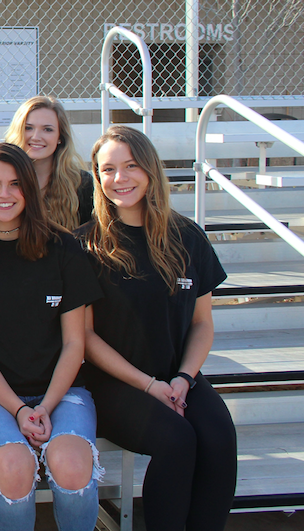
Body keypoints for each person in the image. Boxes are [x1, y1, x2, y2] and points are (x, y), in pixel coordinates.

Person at [79, 125, 237, 531]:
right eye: (109, 169)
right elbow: (86, 338)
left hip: (178, 376)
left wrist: (184, 378)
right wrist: (150, 386)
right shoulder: (86, 245)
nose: (120, 178)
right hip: (113, 384)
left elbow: (202, 324)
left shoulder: (188, 237)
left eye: (130, 166)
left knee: (220, 440)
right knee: (177, 440)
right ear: (97, 177)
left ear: (150, 169)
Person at [0, 142, 103, 531]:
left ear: (29, 189)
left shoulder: (63, 248)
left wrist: (46, 405)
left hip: (61, 389)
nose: (3, 195)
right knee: (13, 466)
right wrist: (20, 410)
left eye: (14, 184)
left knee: (72, 466)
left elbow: (76, 342)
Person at [4, 96, 93, 230]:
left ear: (60, 137)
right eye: (28, 128)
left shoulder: (81, 183)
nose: (36, 137)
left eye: (47, 130)